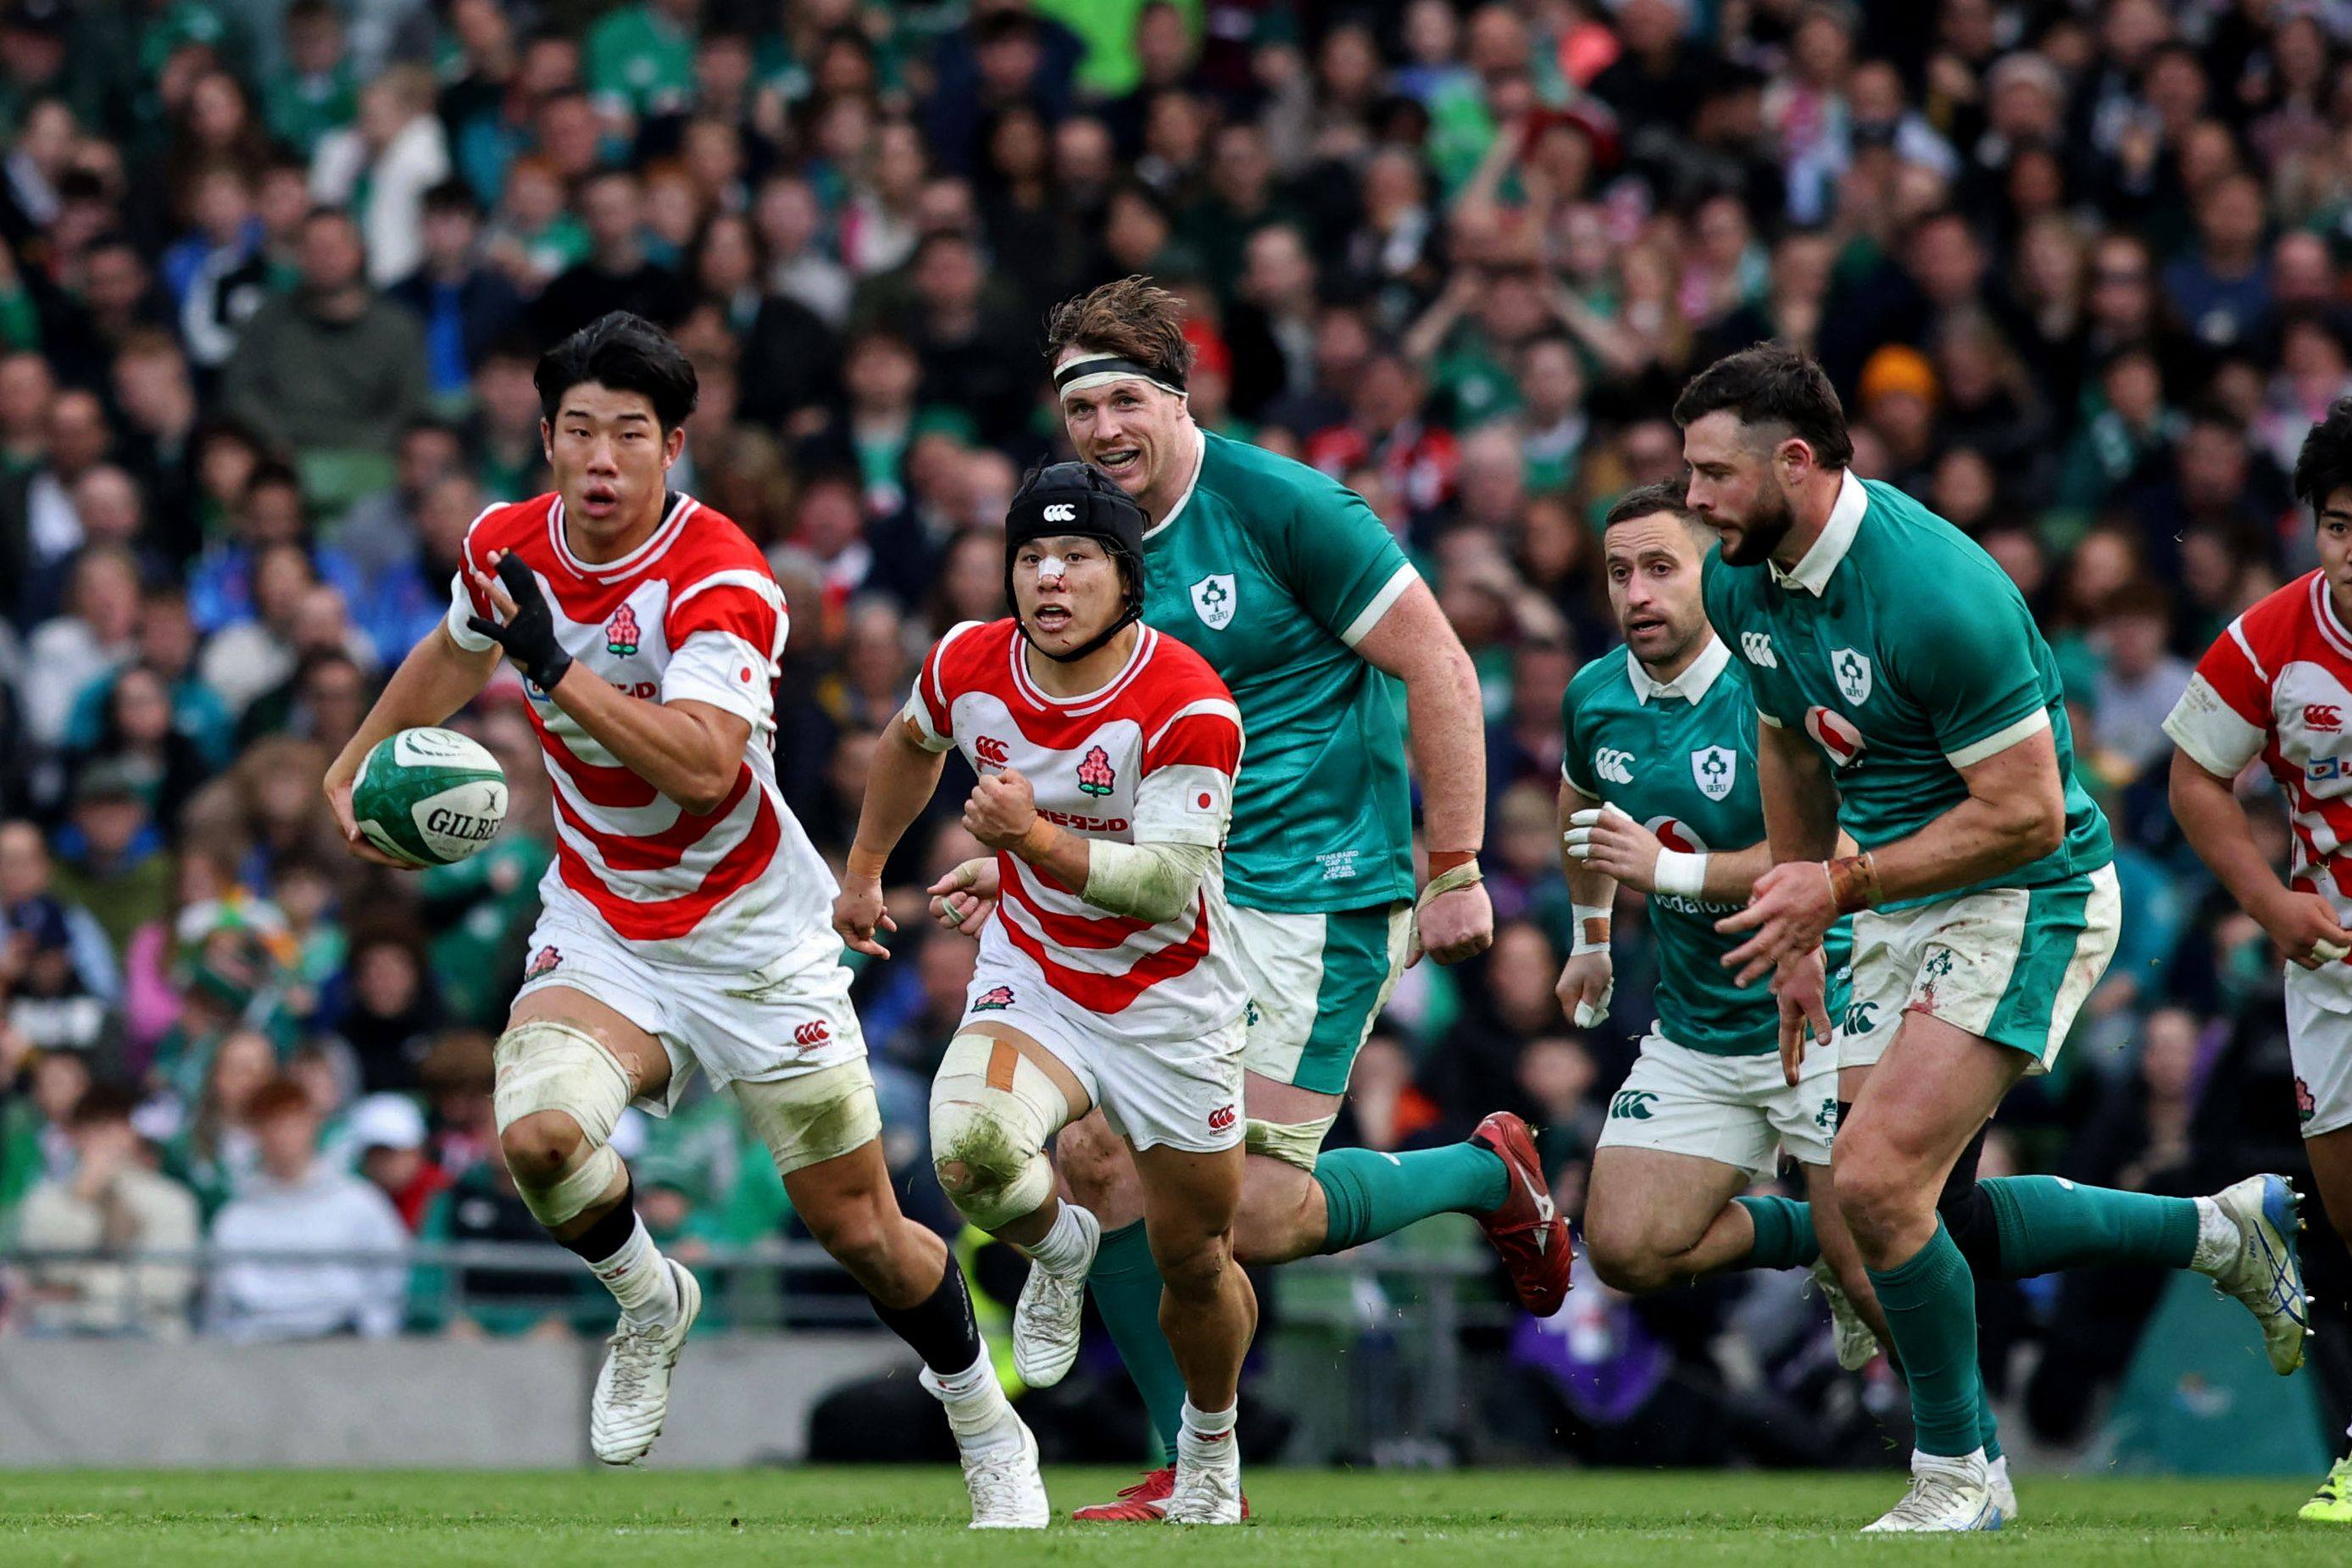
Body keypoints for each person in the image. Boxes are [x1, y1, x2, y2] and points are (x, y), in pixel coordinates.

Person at [319, 312, 1044, 1526]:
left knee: (864, 1231)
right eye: (581, 432)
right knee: (541, 1137)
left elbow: (705, 769)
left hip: (759, 940)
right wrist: (356, 760)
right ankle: (649, 1295)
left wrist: (552, 668)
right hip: (604, 921)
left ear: (673, 448)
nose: (603, 459)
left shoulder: (724, 577)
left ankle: (984, 1419)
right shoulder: (506, 545)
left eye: (632, 435)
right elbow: (456, 652)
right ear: (545, 437)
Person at [1680, 341, 2310, 1532]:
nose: (1694, 499)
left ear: (1796, 463)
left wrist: (1839, 883)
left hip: (2031, 890)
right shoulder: (1738, 578)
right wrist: (1807, 915)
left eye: (1712, 473)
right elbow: (1781, 744)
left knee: (1873, 1184)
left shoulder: (1934, 591)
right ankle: (2218, 1230)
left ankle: (1959, 1473)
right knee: (1895, 1217)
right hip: (1883, 894)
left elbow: (2022, 812)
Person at [1029, 277, 1559, 1521]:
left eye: (1123, 399)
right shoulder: (1091, 542)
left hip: (1311, 891)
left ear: (1177, 394)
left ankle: (1487, 1179)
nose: (1102, 428)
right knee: (1093, 1160)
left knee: (1248, 1213)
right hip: (1175, 884)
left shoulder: (1283, 506)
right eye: (1079, 407)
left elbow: (1435, 655)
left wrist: (1460, 860)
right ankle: (1192, 1471)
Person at [834, 463, 1256, 1524]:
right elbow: (906, 744)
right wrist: (863, 870)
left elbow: (1163, 883)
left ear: (1126, 576)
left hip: (1170, 1001)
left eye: (1076, 558)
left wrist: (1027, 839)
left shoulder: (1189, 701)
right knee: (968, 1149)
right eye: (1030, 556)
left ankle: (1210, 1453)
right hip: (1037, 976)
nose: (1049, 578)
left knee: (1193, 1258)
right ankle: (1061, 1249)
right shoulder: (968, 662)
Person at [1554, 480, 1882, 1364]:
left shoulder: (1766, 681)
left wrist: (1668, 872)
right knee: (1624, 1245)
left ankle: (1972, 1462)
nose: (1636, 594)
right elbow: (1582, 806)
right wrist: (1591, 938)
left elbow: (1835, 847)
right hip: (1698, 1027)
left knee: (1881, 1276)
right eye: (1619, 572)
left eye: (1661, 568)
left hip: (1826, 1006)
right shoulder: (1594, 695)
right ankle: (1810, 1229)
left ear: (1716, 574)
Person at [2165, 396, 2352, 1526]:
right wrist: (2264, 898)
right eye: (2337, 525)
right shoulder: (2266, 638)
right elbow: (2194, 776)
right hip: (2327, 970)